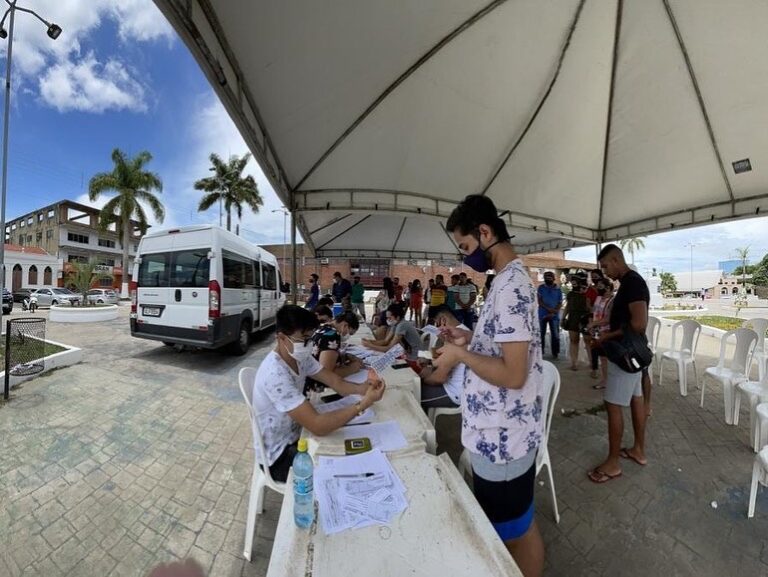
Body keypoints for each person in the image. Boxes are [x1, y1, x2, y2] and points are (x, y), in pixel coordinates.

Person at [434, 194, 544, 577]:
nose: (465, 257)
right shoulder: (504, 281)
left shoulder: (512, 285)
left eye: (465, 247)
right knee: (517, 527)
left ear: (485, 232)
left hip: (504, 440)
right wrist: (467, 337)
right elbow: (501, 346)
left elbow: (514, 374)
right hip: (495, 435)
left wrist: (460, 357)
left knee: (513, 534)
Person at [251, 305, 385, 482]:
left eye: (310, 338)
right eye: (303, 339)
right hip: (279, 457)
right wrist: (362, 404)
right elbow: (317, 425)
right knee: (348, 468)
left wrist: (363, 388)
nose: (309, 345)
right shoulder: (275, 375)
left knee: (351, 444)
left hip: (297, 434)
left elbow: (335, 382)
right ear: (281, 338)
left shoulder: (300, 358)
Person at [588, 244, 649, 485]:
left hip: (625, 354)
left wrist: (607, 337)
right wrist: (602, 326)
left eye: (605, 266)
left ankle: (613, 464)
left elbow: (639, 323)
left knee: (613, 404)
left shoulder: (632, 283)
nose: (604, 272)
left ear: (616, 260)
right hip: (632, 354)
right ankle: (638, 451)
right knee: (636, 400)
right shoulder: (628, 283)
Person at [305, 311, 364, 392]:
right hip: (316, 386)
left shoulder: (323, 327)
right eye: (349, 333)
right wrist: (352, 368)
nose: (348, 336)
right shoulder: (332, 336)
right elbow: (326, 374)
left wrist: (345, 356)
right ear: (345, 325)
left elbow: (321, 351)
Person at [420, 307, 467, 409]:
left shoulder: (459, 338)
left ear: (443, 320)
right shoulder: (463, 332)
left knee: (413, 394)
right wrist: (429, 363)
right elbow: (441, 357)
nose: (437, 330)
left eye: (437, 325)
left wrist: (423, 378)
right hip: (451, 384)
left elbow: (438, 378)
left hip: (452, 392)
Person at [585, 277, 615, 389]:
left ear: (608, 287)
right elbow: (593, 312)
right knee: (602, 356)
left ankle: (610, 380)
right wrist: (591, 324)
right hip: (597, 330)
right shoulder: (598, 298)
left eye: (600, 286)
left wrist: (594, 324)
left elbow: (608, 318)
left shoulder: (612, 300)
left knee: (608, 357)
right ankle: (605, 379)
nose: (598, 288)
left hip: (607, 331)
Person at [562, 275, 591, 371]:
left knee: (588, 341)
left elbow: (590, 307)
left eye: (575, 281)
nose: (572, 283)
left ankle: (592, 362)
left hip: (585, 318)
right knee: (574, 340)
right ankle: (574, 363)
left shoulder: (587, 293)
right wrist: (563, 318)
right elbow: (568, 307)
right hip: (573, 318)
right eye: (572, 281)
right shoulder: (570, 294)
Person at [537, 272, 562, 360]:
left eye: (550, 277)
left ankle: (555, 353)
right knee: (541, 334)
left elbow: (560, 302)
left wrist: (554, 312)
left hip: (554, 315)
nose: (548, 279)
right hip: (542, 314)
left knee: (555, 334)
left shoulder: (558, 289)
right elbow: (539, 301)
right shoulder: (541, 288)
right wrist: (548, 309)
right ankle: (540, 352)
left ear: (553, 278)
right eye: (546, 277)